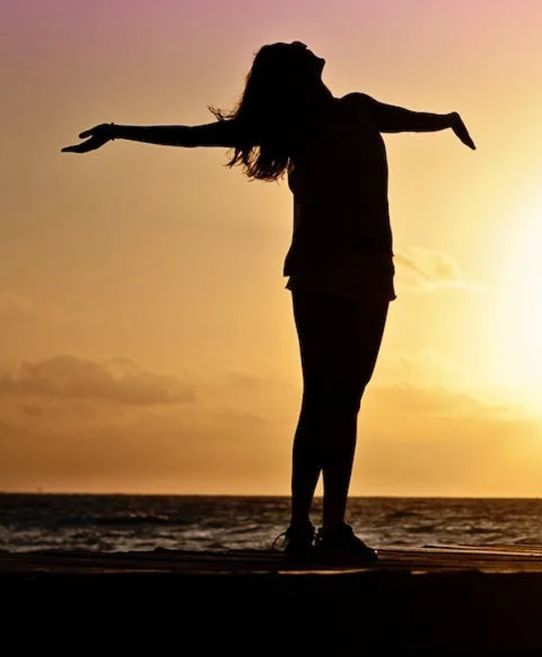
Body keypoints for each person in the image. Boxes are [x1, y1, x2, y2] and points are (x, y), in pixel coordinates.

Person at [61, 41, 476, 564]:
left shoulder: (359, 108)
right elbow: (195, 138)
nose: (307, 45)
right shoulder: (291, 127)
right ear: (292, 76)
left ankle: (333, 526)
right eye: (295, 51)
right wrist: (119, 131)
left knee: (347, 400)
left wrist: (447, 119)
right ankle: (303, 525)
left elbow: (412, 120)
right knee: (321, 395)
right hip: (319, 272)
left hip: (373, 273)